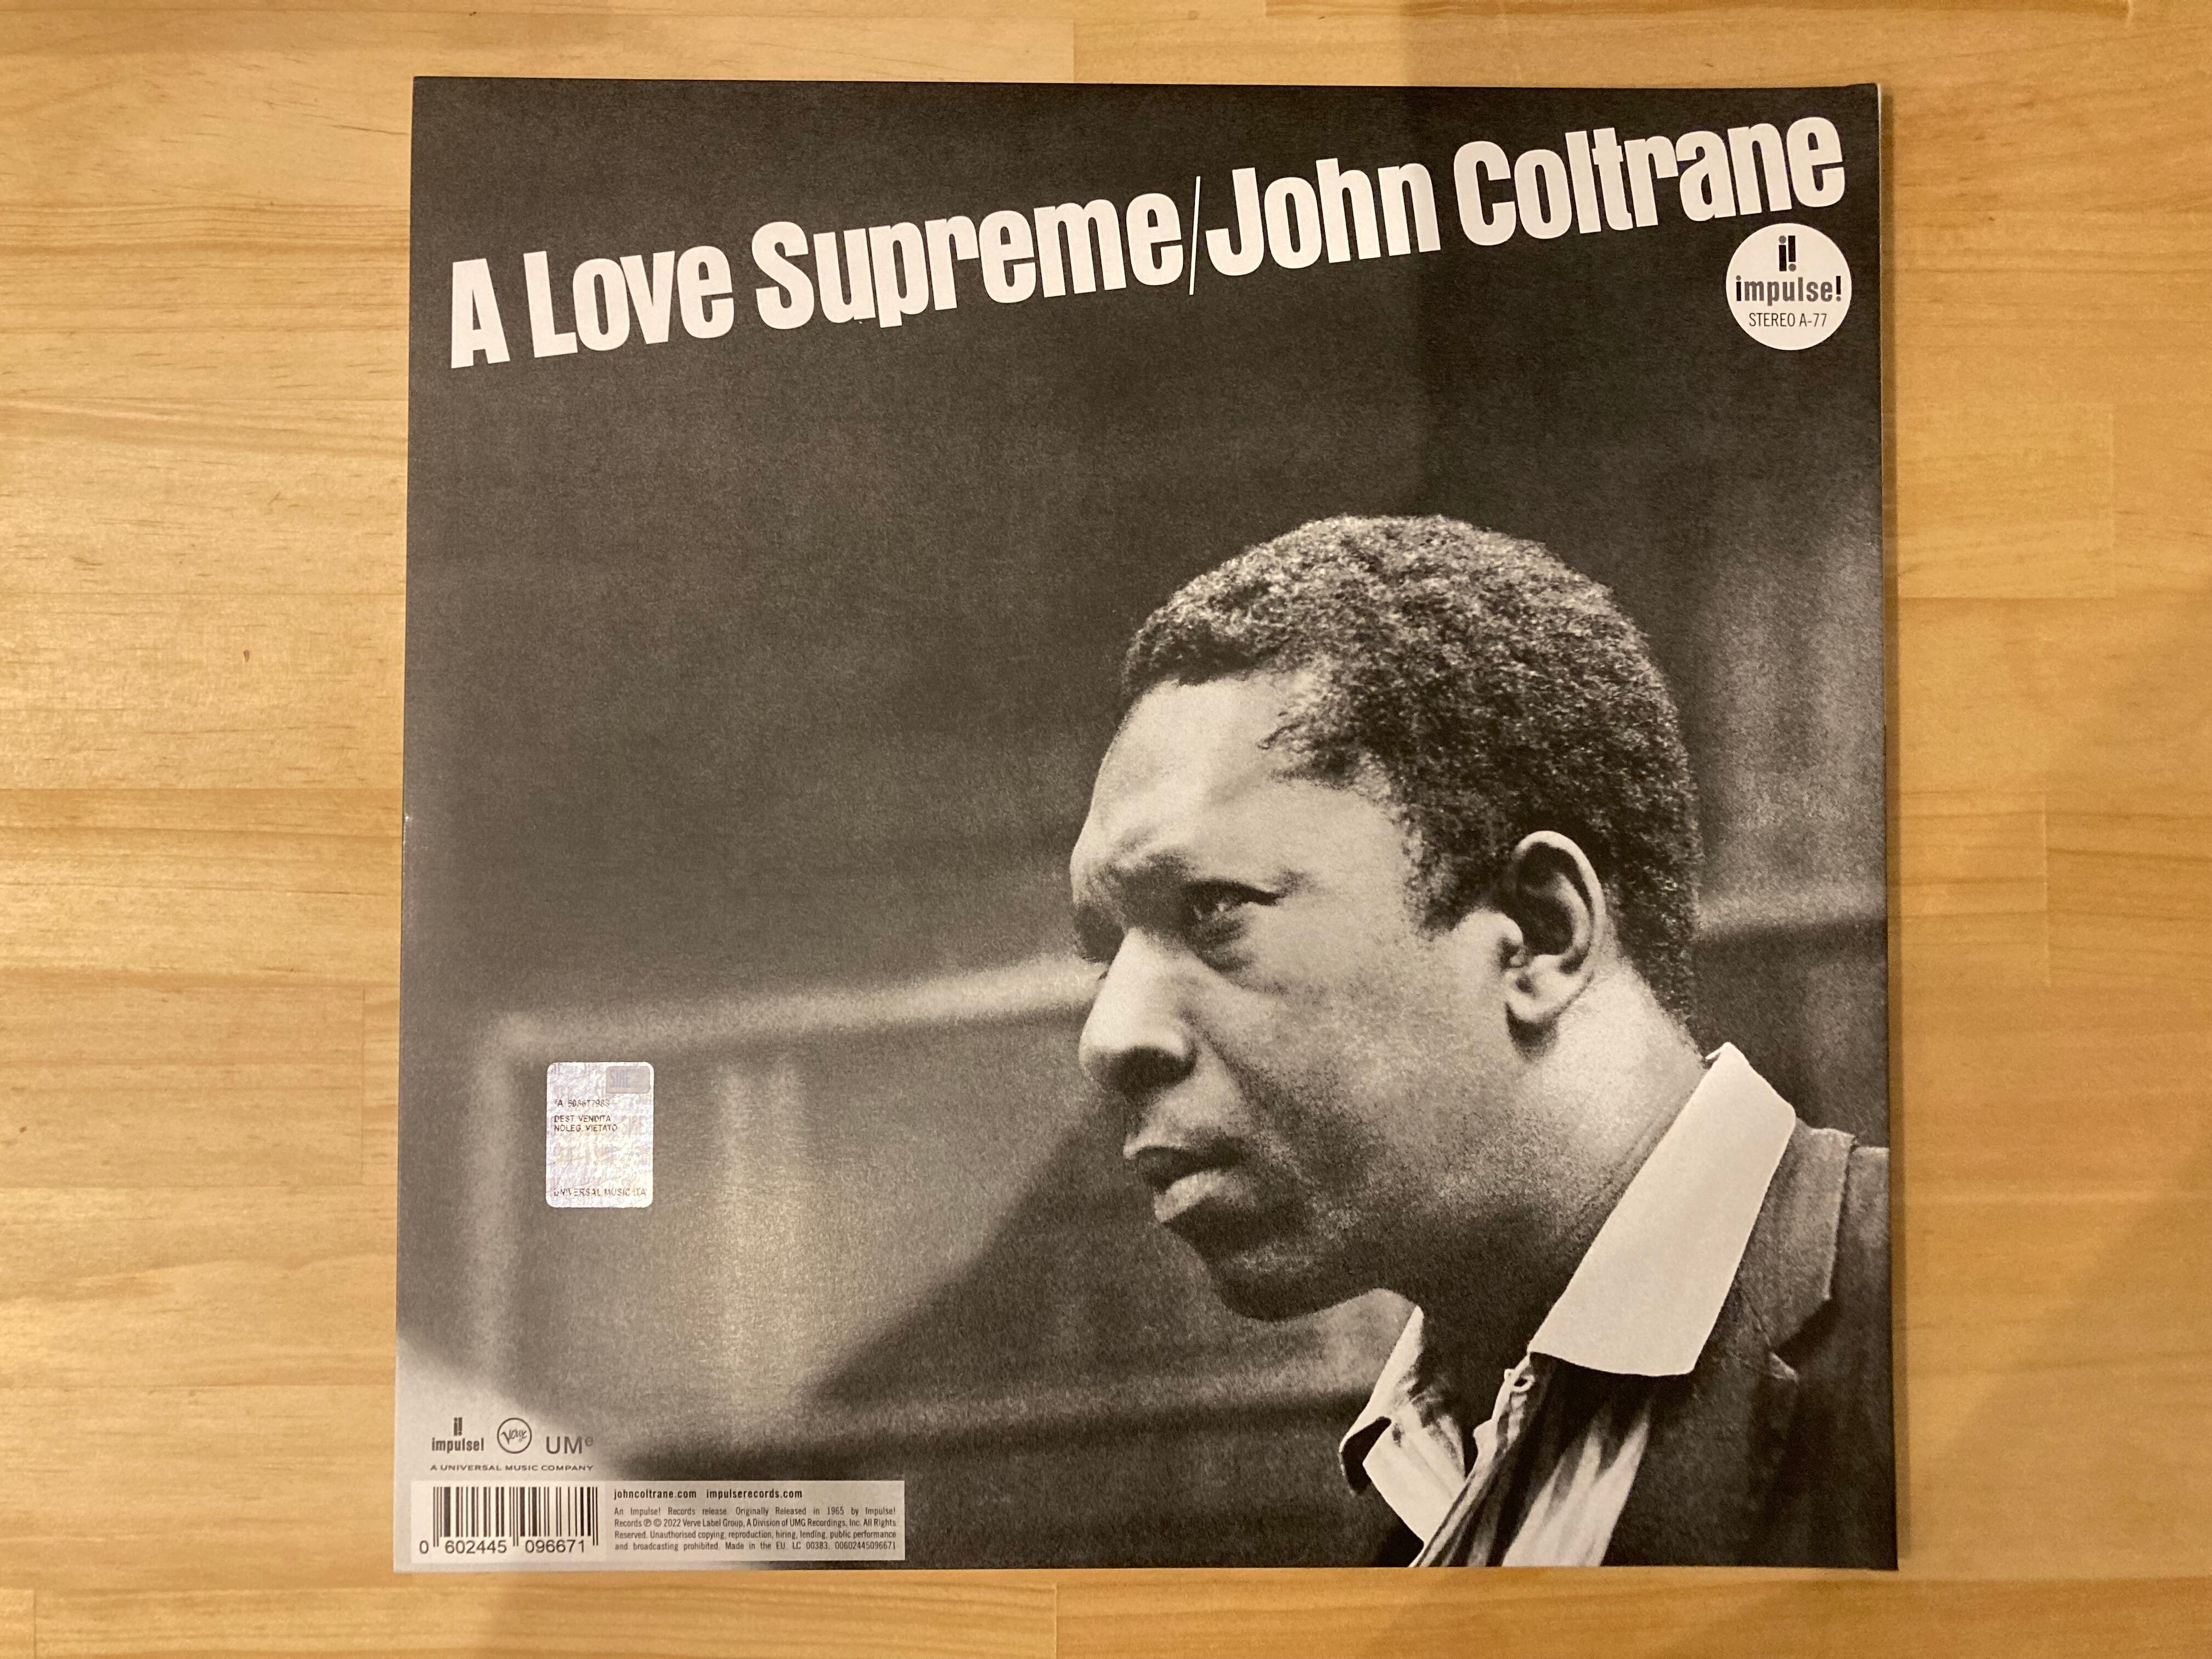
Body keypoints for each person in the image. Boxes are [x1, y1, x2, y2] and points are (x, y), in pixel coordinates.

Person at [1067, 515, 1893, 1567]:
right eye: (1105, 952)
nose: (1110, 1037)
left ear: (1539, 935)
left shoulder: (1950, 1319)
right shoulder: (1418, 1476)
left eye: (1214, 909)